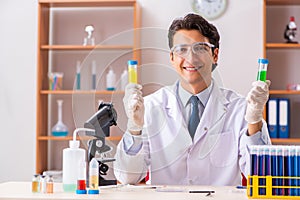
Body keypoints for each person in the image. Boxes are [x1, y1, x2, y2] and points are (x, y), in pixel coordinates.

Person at [113, 13, 271, 186]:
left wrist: (254, 122)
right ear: (172, 58)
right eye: (181, 49)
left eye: (200, 48)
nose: (190, 58)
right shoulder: (150, 107)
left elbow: (262, 176)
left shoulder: (240, 109)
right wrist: (134, 128)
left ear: (215, 55)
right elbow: (127, 177)